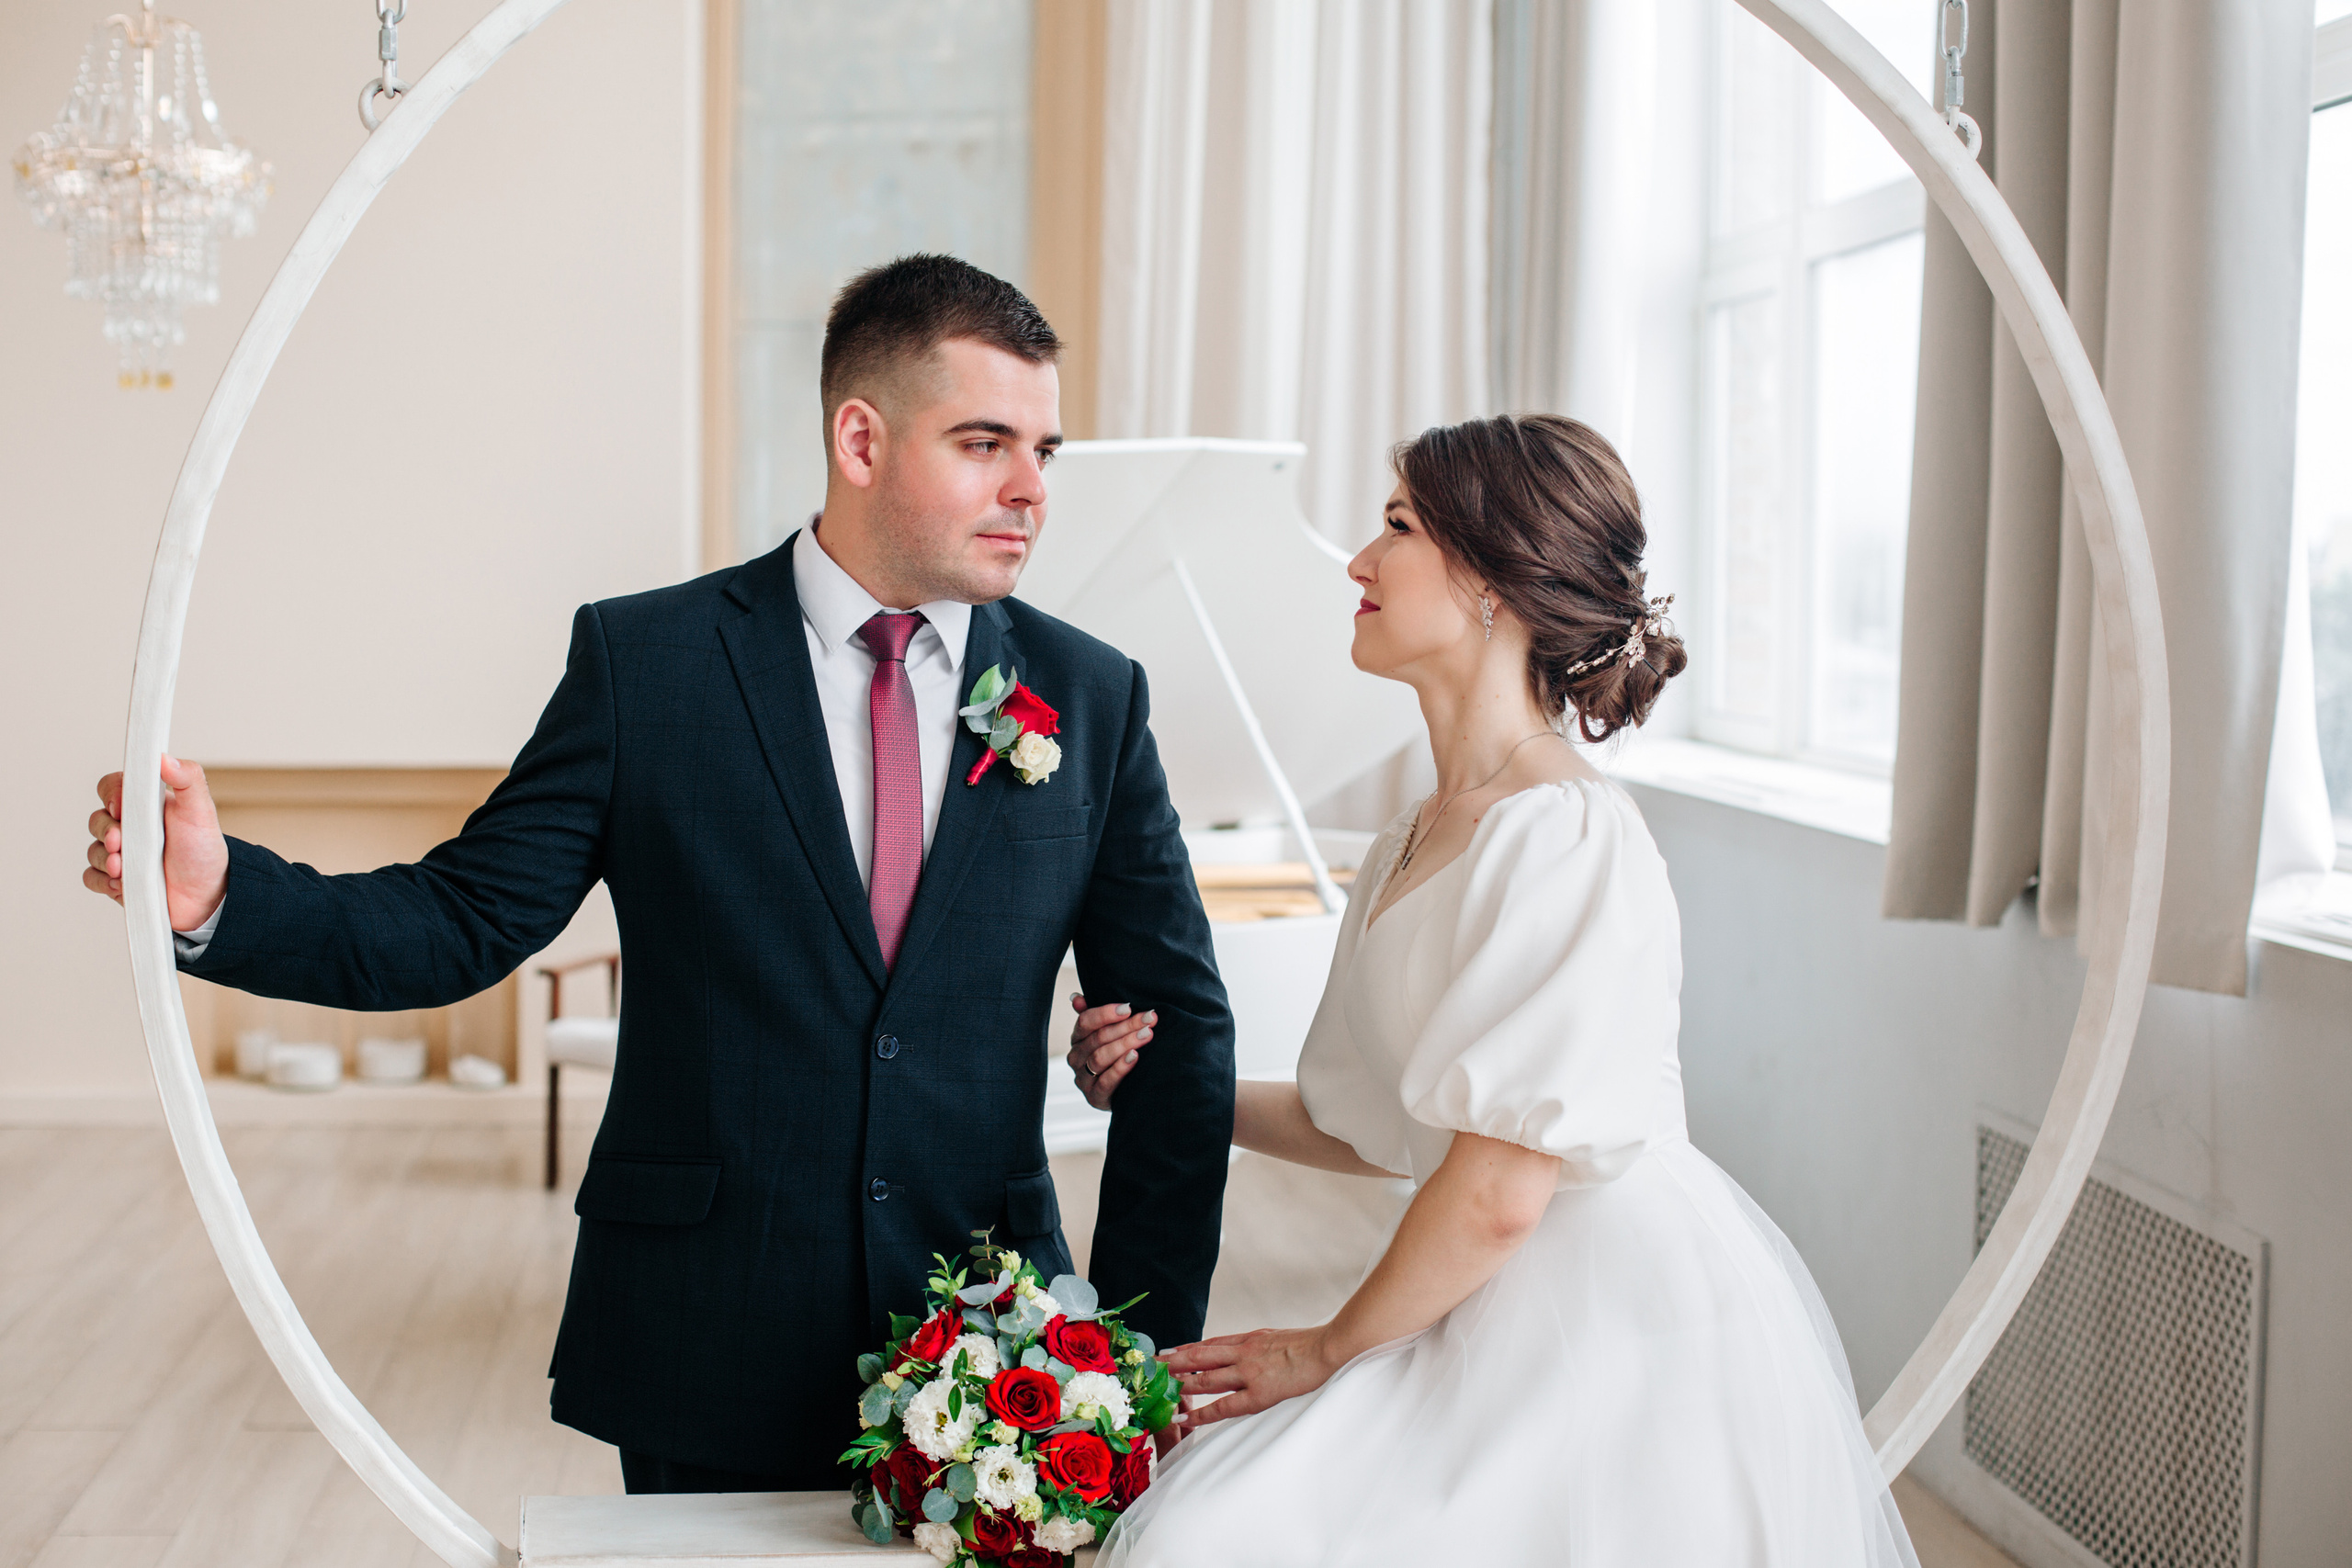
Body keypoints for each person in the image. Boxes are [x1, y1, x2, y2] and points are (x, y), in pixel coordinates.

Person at [82, 254, 1236, 1494]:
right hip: (711, 1321)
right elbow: (465, 917)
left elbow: (1180, 1031)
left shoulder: (1092, 694)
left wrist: (1133, 1346)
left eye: (1045, 451)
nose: (1031, 489)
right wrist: (219, 896)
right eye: (985, 442)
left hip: (1003, 1348)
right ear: (861, 438)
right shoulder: (648, 663)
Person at [1070, 414, 1918, 1564]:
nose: (1360, 565)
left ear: (1492, 582)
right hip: (1468, 1296)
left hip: (1596, 1325)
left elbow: (1504, 1187)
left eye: (1396, 528)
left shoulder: (1563, 835)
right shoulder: (1407, 842)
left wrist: (1322, 1352)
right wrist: (1166, 1087)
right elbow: (1363, 1126)